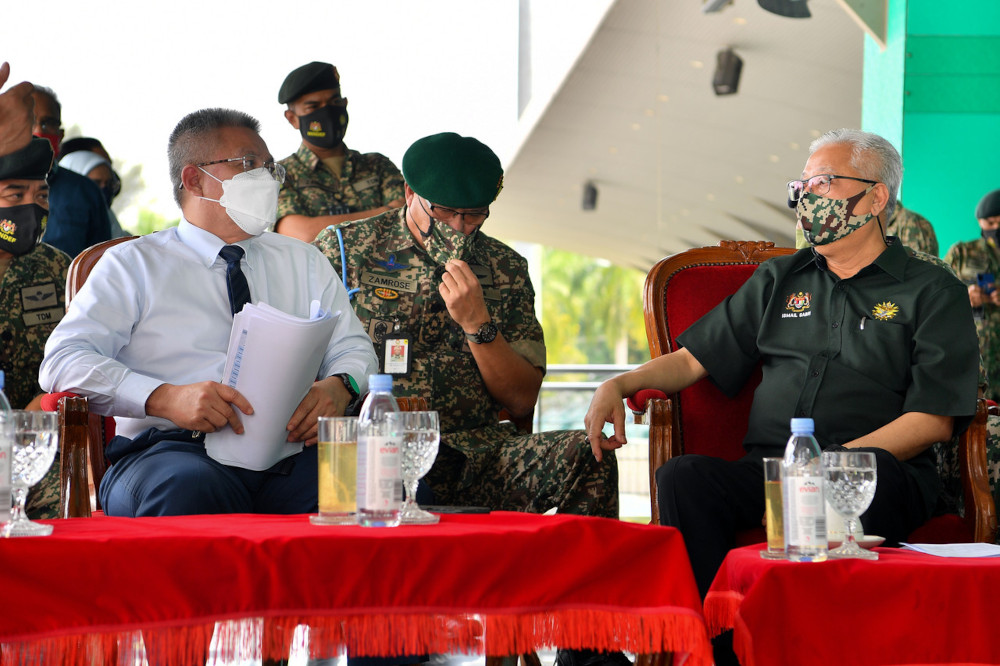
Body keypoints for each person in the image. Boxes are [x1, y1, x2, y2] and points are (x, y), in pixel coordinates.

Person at [586, 128, 979, 599]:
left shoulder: (933, 290)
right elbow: (693, 360)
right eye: (802, 187)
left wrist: (834, 464)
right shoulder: (779, 278)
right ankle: (719, 641)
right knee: (684, 477)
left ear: (875, 199)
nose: (806, 199)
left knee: (857, 474)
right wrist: (621, 382)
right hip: (775, 472)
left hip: (873, 473)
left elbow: (934, 418)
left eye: (823, 184)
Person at [39, 107, 378, 518]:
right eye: (249, 165)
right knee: (189, 491)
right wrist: (163, 397)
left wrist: (340, 387)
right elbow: (62, 361)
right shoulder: (133, 264)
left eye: (270, 168)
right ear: (194, 178)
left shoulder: (303, 260)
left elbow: (354, 348)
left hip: (289, 452)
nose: (266, 179)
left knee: (378, 481)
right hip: (170, 452)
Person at [314, 131, 618, 518]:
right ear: (410, 193)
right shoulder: (345, 249)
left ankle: (576, 578)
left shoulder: (504, 267)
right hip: (375, 449)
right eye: (443, 211)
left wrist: (478, 324)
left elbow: (522, 400)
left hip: (477, 453)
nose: (459, 226)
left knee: (587, 454)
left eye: (474, 214)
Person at [0, 137, 70, 521]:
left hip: (35, 444)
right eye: (15, 195)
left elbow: (83, 353)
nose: (32, 206)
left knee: (72, 505)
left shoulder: (58, 269)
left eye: (41, 196)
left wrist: (37, 412)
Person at [275, 62, 404, 242]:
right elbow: (300, 233)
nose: (327, 113)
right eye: (313, 107)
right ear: (292, 119)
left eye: (335, 102)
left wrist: (324, 226)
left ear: (345, 104)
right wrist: (385, 212)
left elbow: (408, 218)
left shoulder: (378, 165)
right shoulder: (281, 174)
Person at [31, 86, 111, 257]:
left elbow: (100, 264)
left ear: (60, 135)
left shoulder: (85, 192)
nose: (38, 131)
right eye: (29, 121)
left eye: (47, 123)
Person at [944, 189, 1000, 402]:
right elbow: (935, 295)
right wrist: (963, 296)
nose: (996, 229)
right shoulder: (963, 253)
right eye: (991, 223)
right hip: (975, 358)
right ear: (980, 222)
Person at [58, 148, 129, 238]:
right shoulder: (52, 221)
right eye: (96, 183)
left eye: (109, 183)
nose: (104, 189)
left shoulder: (109, 221)